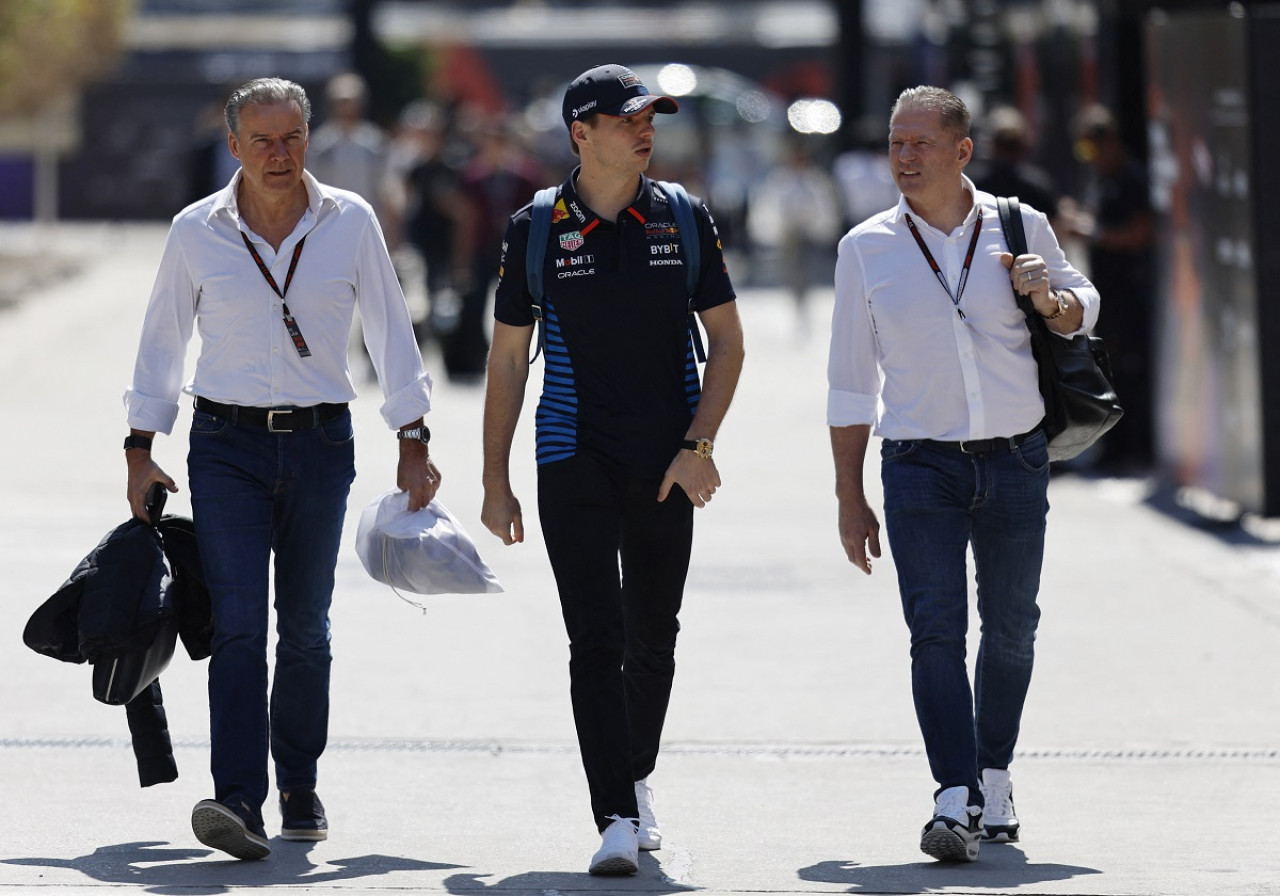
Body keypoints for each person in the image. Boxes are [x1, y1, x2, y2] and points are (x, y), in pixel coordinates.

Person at [123, 77, 442, 861]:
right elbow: (162, 341)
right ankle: (238, 797)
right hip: (224, 447)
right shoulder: (195, 231)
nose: (278, 154)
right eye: (261, 140)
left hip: (320, 446)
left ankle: (298, 779)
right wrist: (140, 447)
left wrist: (413, 432)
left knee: (304, 628)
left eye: (291, 138)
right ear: (233, 145)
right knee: (236, 625)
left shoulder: (350, 221)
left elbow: (391, 325)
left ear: (310, 140)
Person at [481, 63, 744, 876]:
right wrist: (495, 479)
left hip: (668, 463)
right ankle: (616, 816)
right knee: (594, 640)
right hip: (572, 456)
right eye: (629, 118)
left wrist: (698, 447)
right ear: (580, 134)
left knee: (652, 637)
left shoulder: (685, 217)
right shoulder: (535, 228)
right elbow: (509, 361)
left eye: (652, 119)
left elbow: (730, 344)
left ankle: (632, 775)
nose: (646, 129)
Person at [827, 86, 1098, 862]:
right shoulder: (865, 248)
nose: (903, 158)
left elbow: (1082, 303)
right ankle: (954, 795)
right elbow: (850, 385)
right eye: (895, 143)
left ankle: (993, 774)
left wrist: (1050, 298)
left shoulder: (1019, 224)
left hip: (1015, 458)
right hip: (918, 465)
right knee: (935, 633)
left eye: (919, 144)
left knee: (1013, 629)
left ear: (961, 151)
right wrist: (850, 497)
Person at [1062, 103, 1155, 472]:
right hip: (1109, 293)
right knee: (1111, 366)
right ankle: (1115, 447)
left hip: (1131, 291)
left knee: (1129, 369)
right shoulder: (1104, 180)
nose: (1090, 158)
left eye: (1092, 149)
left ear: (1109, 142)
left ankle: (1132, 448)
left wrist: (1093, 233)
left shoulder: (1131, 178)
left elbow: (1140, 233)